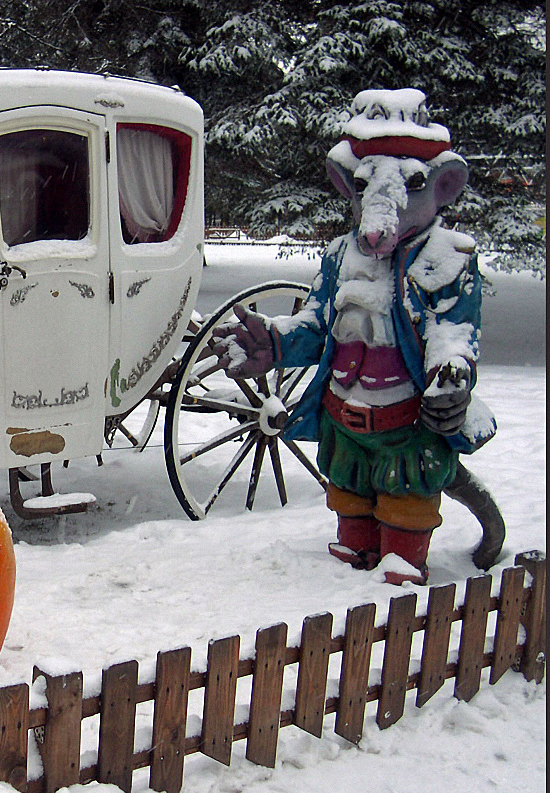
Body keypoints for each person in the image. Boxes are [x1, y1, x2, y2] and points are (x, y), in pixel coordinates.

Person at [211, 89, 495, 585]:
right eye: (367, 187)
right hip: (346, 427)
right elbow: (319, 324)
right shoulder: (342, 256)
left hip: (409, 432)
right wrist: (275, 343)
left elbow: (454, 332)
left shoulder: (448, 258)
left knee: (402, 542)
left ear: (444, 185)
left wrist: (452, 374)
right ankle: (351, 578)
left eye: (411, 184)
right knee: (352, 535)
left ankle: (397, 605)